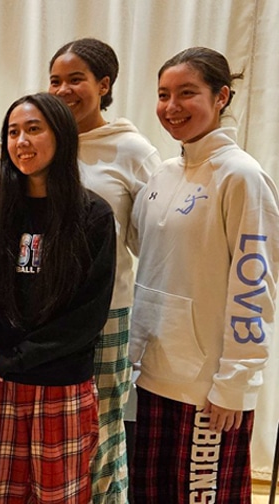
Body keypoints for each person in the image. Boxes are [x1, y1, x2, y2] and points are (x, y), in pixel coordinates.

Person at [129, 47, 279, 504]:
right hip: (151, 373)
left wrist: (236, 383)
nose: (171, 107)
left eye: (187, 93)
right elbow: (147, 252)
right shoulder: (163, 173)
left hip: (206, 391)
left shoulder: (242, 176)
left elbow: (255, 286)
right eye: (162, 94)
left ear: (221, 97)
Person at [0, 93, 116, 503]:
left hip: (61, 389)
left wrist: (21, 355)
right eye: (12, 132)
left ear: (61, 136)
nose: (21, 141)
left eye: (33, 129)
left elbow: (88, 315)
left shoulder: (93, 216)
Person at [48, 37, 161, 503]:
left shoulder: (133, 151)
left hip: (108, 315)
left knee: (102, 428)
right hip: (48, 317)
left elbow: (152, 244)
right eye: (55, 80)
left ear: (104, 84)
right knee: (58, 433)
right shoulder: (46, 140)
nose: (64, 90)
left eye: (76, 79)